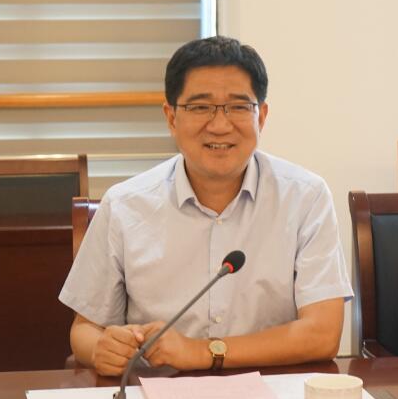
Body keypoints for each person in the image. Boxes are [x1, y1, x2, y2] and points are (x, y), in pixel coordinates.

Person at [59, 37, 352, 376]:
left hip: (273, 392)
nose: (220, 125)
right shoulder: (124, 205)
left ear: (261, 117)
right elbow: (84, 329)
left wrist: (203, 352)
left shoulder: (306, 197)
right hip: (157, 393)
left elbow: (322, 333)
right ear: (171, 117)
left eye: (238, 107)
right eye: (200, 108)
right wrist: (102, 348)